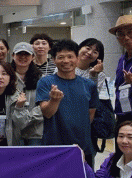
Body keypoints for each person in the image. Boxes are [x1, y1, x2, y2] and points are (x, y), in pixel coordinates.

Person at [36, 39, 98, 167]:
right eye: (61, 57)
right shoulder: (45, 82)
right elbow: (47, 113)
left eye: (70, 56)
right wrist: (54, 100)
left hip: (83, 147)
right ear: (54, 60)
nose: (66, 61)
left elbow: (90, 116)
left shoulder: (89, 85)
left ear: (77, 58)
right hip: (54, 147)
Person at [0, 61, 29, 146]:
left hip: (12, 145)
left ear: (10, 77)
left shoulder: (18, 97)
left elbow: (23, 125)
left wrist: (19, 108)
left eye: (4, 74)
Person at [11, 42, 44, 145]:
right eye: (19, 54)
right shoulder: (6, 77)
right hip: (13, 132)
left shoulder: (41, 79)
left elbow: (44, 105)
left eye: (27, 54)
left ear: (33, 57)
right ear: (13, 56)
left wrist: (27, 119)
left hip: (35, 132)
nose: (23, 57)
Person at [110, 15, 132, 125]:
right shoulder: (122, 59)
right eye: (121, 34)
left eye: (130, 32)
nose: (126, 38)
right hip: (122, 115)